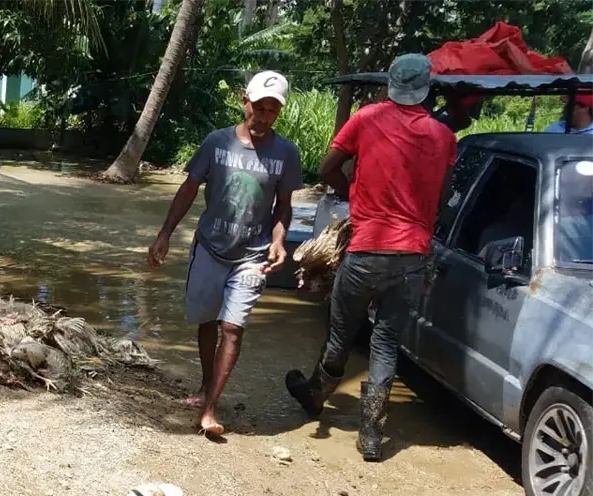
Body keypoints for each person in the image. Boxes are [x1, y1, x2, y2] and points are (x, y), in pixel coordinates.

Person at [285, 54, 456, 462]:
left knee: (342, 332)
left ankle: (314, 396)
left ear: (391, 85)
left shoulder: (367, 118)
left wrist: (349, 194)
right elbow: (444, 195)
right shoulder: (443, 135)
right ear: (426, 88)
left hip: (366, 248)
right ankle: (372, 437)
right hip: (413, 255)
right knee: (386, 342)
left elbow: (328, 167)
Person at [147, 71, 301, 436]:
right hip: (210, 246)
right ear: (244, 103)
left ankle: (210, 409)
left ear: (278, 113)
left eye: (272, 111)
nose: (263, 117)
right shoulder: (217, 143)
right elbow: (188, 189)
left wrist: (280, 241)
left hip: (253, 254)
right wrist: (165, 234)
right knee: (207, 321)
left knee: (232, 328)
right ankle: (204, 386)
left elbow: (283, 206)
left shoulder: (286, 154)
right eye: (258, 108)